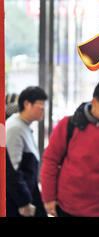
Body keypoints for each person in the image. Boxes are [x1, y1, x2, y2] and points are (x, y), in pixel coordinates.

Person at [40, 79, 99, 217]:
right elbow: (50, 161)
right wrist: (49, 197)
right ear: (94, 102)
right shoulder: (68, 124)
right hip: (67, 205)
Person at [6, 86, 48, 217]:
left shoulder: (23, 125)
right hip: (15, 204)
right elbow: (11, 171)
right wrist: (23, 202)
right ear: (27, 104)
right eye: (40, 105)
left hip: (26, 195)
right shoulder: (15, 128)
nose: (43, 109)